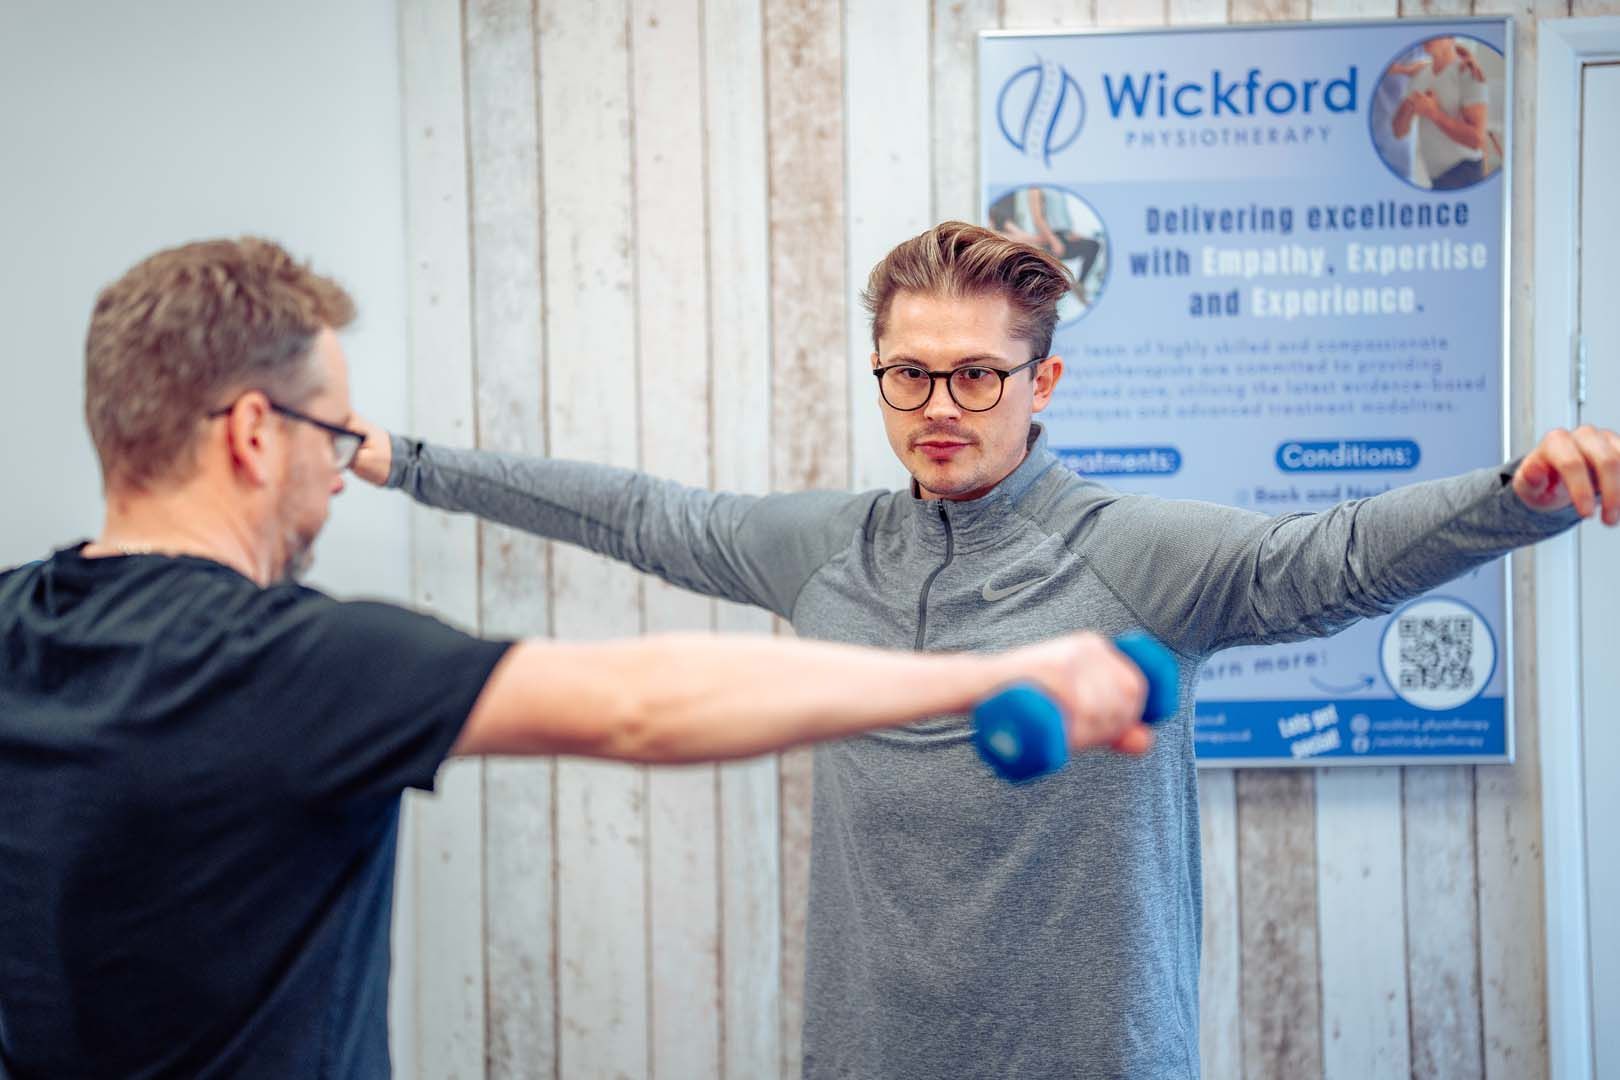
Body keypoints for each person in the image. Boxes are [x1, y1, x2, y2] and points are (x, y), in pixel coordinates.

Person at [353, 221, 1620, 1078]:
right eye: (908, 377)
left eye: (974, 377)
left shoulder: (1137, 553)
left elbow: (1335, 558)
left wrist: (1519, 494)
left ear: (1044, 381)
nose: (939, 410)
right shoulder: (825, 551)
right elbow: (631, 511)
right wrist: (403, 462)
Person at [0, 237, 1161, 1079]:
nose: (333, 470)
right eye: (329, 434)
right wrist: (997, 673)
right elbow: (639, 705)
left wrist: (408, 459)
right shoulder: (297, 664)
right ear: (256, 435)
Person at [1390, 36, 1491, 190]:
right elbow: (1399, 131)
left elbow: (1477, 140)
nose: (1427, 38)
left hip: (1464, 172)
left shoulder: (1468, 73)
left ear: (1451, 39)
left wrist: (1433, 113)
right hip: (1435, 179)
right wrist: (1409, 105)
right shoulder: (1419, 73)